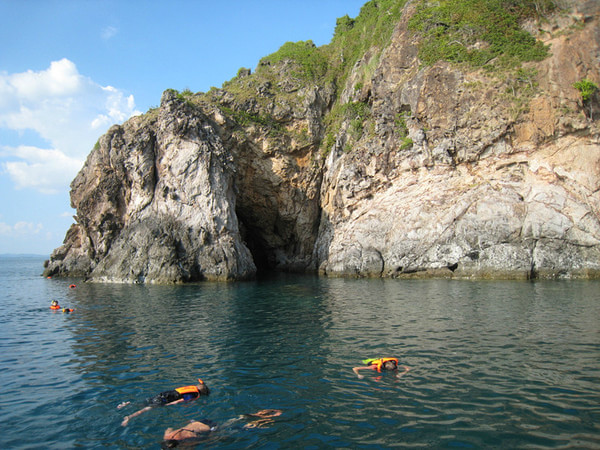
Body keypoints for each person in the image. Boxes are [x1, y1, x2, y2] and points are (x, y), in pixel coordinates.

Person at [161, 409, 282, 448]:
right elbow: (169, 427)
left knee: (239, 428)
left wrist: (219, 438)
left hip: (210, 428)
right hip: (200, 421)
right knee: (233, 420)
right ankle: (257, 413)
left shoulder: (188, 440)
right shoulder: (168, 434)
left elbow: (207, 440)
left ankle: (260, 421)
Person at [120, 379, 209, 426]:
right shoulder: (193, 394)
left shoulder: (191, 388)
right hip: (164, 400)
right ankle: (129, 417)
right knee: (145, 409)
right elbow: (179, 401)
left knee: (145, 404)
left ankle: (128, 404)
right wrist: (168, 405)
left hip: (162, 395)